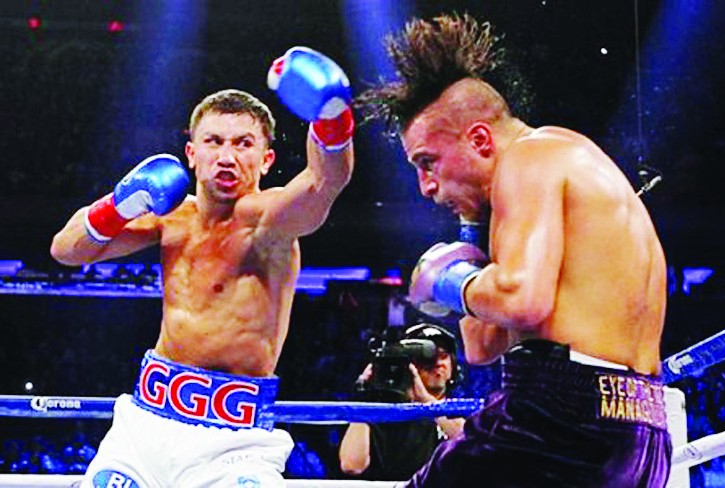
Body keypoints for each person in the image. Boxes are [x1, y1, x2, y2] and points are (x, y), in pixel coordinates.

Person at [356, 13, 671, 488]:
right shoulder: (563, 170)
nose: (425, 186)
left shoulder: (530, 157)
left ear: (480, 139)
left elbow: (522, 300)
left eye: (428, 162)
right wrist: (469, 235)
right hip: (638, 431)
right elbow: (482, 347)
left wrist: (445, 280)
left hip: (560, 422)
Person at [50, 46, 355, 488]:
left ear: (266, 160)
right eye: (214, 142)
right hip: (145, 427)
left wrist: (331, 119)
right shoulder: (171, 217)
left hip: (233, 444)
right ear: (192, 153)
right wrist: (118, 204)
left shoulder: (267, 222)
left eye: (243, 144)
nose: (227, 156)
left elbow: (325, 182)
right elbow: (67, 249)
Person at [339, 323, 465, 481]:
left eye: (443, 355)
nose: (437, 363)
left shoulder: (461, 412)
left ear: (454, 366)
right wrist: (365, 397)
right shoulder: (383, 415)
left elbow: (471, 442)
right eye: (427, 358)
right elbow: (352, 465)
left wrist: (426, 401)